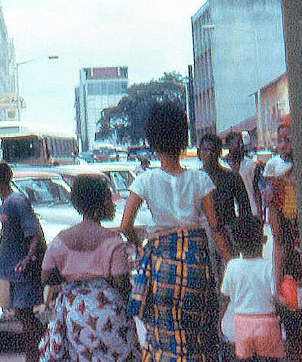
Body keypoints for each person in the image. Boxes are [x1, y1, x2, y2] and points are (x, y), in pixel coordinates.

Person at [120, 101, 231, 362]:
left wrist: (139, 247)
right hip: (195, 267)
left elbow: (125, 225)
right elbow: (216, 228)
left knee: (163, 336)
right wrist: (232, 261)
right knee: (198, 336)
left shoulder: (144, 181)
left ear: (153, 142)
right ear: (183, 140)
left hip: (161, 268)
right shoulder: (201, 180)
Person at [39, 174, 138, 362]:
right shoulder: (113, 241)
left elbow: (46, 277)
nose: (113, 204)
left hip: (75, 312)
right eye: (109, 199)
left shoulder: (61, 239)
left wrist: (72, 277)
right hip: (108, 311)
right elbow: (121, 283)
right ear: (99, 204)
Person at [199, 132, 250, 360]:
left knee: (226, 283)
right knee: (207, 283)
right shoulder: (195, 179)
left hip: (227, 234)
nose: (208, 155)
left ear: (219, 153)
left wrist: (243, 236)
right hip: (203, 234)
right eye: (204, 150)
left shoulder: (230, 178)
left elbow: (245, 209)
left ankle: (217, 324)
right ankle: (211, 328)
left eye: (212, 150)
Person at [0, 161, 45, 362]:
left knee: (26, 315)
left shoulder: (17, 201)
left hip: (24, 271)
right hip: (14, 271)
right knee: (22, 315)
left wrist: (28, 258)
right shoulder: (7, 203)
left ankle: (38, 354)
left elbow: (34, 234)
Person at [264, 121, 302, 362]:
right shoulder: (277, 187)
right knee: (295, 339)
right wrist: (277, 285)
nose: (282, 145)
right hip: (293, 272)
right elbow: (279, 243)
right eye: (279, 140)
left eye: (287, 139)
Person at [220, 215, 284, 361]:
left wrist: (219, 322)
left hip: (242, 325)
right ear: (264, 240)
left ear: (236, 244)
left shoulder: (232, 266)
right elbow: (276, 296)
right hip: (267, 323)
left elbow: (225, 296)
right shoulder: (270, 266)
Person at [225, 132, 262, 218]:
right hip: (230, 214)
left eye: (241, 142)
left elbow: (256, 190)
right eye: (237, 143)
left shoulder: (251, 165)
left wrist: (259, 213)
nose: (241, 146)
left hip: (250, 212)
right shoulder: (223, 166)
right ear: (229, 146)